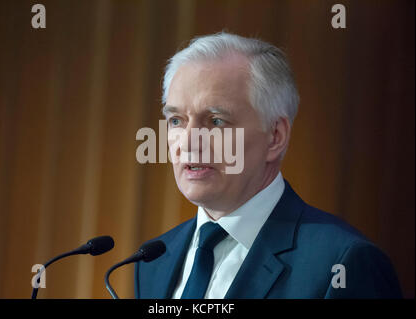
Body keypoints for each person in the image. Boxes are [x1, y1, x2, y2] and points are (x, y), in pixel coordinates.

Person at [134, 32, 402, 298]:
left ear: (275, 136)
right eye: (176, 121)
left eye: (216, 121)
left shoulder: (342, 264)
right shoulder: (152, 262)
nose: (189, 143)